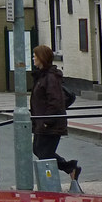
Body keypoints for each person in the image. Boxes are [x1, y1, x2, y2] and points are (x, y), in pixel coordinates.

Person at [30, 45, 80, 180]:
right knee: (38, 150)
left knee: (44, 154)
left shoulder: (50, 77)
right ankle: (70, 167)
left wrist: (47, 122)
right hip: (42, 122)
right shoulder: (42, 76)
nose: (33, 57)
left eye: (35, 55)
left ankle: (50, 184)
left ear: (42, 58)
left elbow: (55, 101)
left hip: (50, 124)